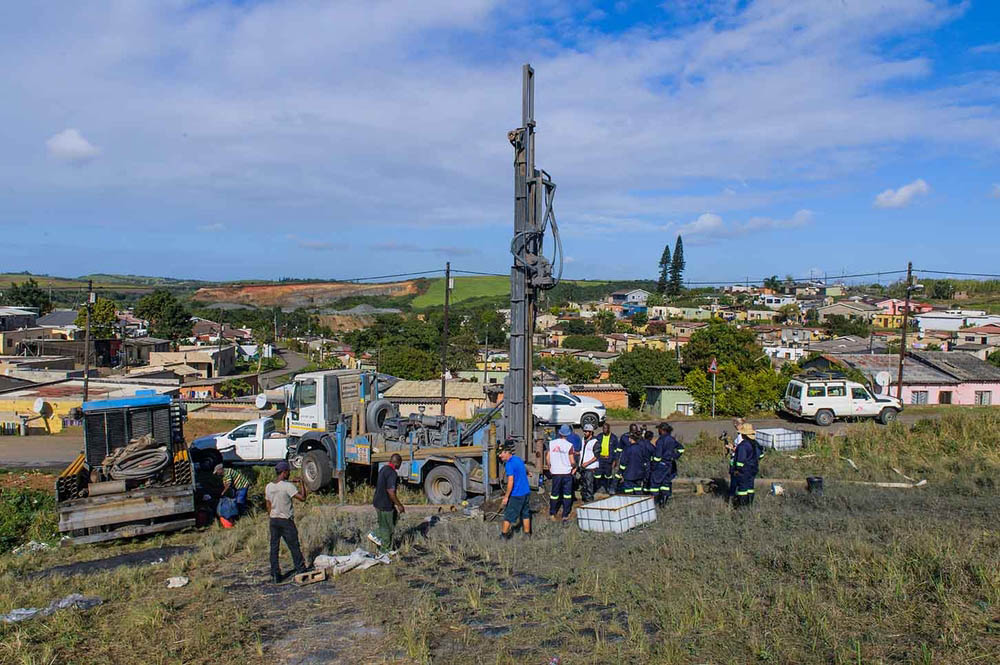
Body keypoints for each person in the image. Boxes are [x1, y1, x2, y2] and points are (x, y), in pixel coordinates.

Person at [265, 461, 308, 583]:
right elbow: (303, 498)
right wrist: (302, 483)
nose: (289, 474)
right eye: (288, 471)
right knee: (294, 546)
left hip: (273, 520)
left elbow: (268, 505)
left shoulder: (269, 486)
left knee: (274, 548)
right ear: (284, 472)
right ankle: (301, 570)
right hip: (286, 521)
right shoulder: (288, 486)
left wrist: (272, 515)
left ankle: (275, 575)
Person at [368, 453, 406, 553]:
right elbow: (391, 492)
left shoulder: (384, 469)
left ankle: (383, 549)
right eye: (400, 463)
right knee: (387, 529)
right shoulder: (392, 473)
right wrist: (399, 505)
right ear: (397, 463)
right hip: (385, 504)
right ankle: (381, 544)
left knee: (386, 525)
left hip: (377, 502)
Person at [498, 441, 532, 539]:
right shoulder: (518, 459)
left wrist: (506, 497)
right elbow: (524, 468)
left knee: (509, 516)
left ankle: (503, 536)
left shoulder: (509, 465)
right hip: (526, 492)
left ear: (507, 452)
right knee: (525, 514)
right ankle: (527, 535)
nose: (500, 456)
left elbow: (510, 482)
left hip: (517, 494)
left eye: (501, 453)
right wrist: (528, 473)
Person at [547, 425, 577, 524]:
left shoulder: (552, 443)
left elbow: (548, 457)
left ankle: (552, 513)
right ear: (568, 434)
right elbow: (572, 461)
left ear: (560, 433)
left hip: (556, 472)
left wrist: (550, 467)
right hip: (566, 473)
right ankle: (565, 514)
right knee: (567, 495)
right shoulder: (569, 445)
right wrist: (575, 467)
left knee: (554, 494)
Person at [650, 423, 684, 506]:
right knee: (666, 483)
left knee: (655, 483)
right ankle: (664, 503)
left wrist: (653, 466)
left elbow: (658, 456)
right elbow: (681, 449)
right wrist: (674, 457)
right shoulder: (672, 439)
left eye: (659, 429)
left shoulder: (661, 440)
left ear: (662, 430)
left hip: (661, 465)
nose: (658, 431)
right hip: (669, 465)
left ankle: (655, 502)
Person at [732, 423, 761, 508]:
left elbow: (740, 460)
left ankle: (742, 506)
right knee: (750, 487)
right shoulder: (756, 444)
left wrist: (737, 469)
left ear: (743, 435)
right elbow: (761, 455)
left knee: (742, 488)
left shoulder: (742, 446)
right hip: (754, 469)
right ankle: (750, 504)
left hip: (744, 470)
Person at [616, 431, 648, 495]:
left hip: (629, 475)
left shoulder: (627, 449)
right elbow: (645, 460)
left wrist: (620, 472)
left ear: (630, 439)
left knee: (628, 491)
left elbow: (623, 462)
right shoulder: (641, 448)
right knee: (638, 490)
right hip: (639, 474)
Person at [612, 424, 640, 493]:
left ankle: (634, 492)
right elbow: (619, 449)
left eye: (635, 431)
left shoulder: (639, 437)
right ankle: (614, 489)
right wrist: (616, 459)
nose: (634, 432)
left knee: (633, 476)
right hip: (625, 459)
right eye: (633, 431)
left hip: (635, 460)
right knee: (618, 474)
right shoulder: (624, 437)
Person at [593, 422, 618, 494]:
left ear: (609, 429)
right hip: (600, 459)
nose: (604, 430)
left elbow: (616, 451)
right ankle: (597, 488)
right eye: (603, 428)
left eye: (606, 428)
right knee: (597, 475)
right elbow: (595, 447)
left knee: (608, 476)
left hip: (609, 460)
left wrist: (615, 461)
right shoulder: (599, 436)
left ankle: (608, 488)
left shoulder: (614, 438)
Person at [578, 424, 599, 503]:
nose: (585, 433)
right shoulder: (583, 439)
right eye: (584, 431)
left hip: (590, 467)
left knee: (589, 484)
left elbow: (596, 456)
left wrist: (587, 463)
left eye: (587, 431)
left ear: (591, 432)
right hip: (583, 466)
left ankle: (589, 501)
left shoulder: (595, 442)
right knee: (584, 484)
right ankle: (584, 498)